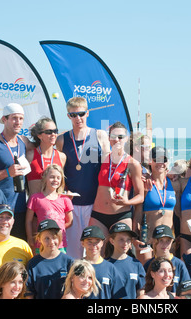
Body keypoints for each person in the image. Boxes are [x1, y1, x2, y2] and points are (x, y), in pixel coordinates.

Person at [56, 97, 110, 259]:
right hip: (71, 204)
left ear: (87, 113)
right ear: (68, 116)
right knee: (73, 254)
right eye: (73, 115)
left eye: (80, 114)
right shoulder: (61, 139)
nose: (77, 118)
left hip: (95, 203)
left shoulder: (100, 135)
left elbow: (110, 167)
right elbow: (57, 171)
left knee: (95, 252)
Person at [0, 103, 34, 240]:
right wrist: (7, 172)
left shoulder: (23, 141)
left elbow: (41, 147)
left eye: (21, 118)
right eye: (14, 118)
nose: (18, 122)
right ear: (4, 120)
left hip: (20, 208)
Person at [89, 122, 144, 244]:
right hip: (98, 215)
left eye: (120, 137)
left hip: (121, 216)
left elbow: (140, 196)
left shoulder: (133, 163)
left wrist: (127, 202)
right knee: (96, 255)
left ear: (126, 139)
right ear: (109, 138)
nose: (116, 140)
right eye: (113, 136)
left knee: (120, 256)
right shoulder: (103, 159)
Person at [133, 146, 176, 262]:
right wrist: (135, 237)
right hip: (148, 239)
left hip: (168, 241)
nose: (160, 163)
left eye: (164, 160)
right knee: (147, 272)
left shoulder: (175, 184)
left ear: (168, 162)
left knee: (167, 274)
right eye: (157, 159)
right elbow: (137, 213)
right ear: (150, 161)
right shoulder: (144, 183)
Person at [26, 164, 73, 254]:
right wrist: (30, 238)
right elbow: (29, 221)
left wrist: (57, 229)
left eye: (58, 178)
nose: (55, 180)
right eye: (52, 177)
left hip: (60, 244)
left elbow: (70, 221)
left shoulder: (65, 199)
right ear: (45, 179)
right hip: (41, 243)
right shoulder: (35, 198)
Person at [25, 219, 74, 299]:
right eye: (47, 238)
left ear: (59, 237)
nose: (51, 242)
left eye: (54, 237)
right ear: (39, 239)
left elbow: (75, 290)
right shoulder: (33, 264)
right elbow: (29, 293)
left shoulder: (69, 262)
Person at [80, 225, 126, 299]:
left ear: (102, 243)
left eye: (97, 241)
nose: (93, 245)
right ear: (82, 243)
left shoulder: (110, 268)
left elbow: (119, 295)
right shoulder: (77, 266)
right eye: (89, 241)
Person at [143, 225, 191, 292]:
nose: (164, 244)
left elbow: (187, 289)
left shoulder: (179, 264)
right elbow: (143, 288)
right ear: (154, 241)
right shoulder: (149, 264)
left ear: (172, 241)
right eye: (161, 240)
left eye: (168, 240)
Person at [26, 116, 66, 195]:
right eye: (49, 132)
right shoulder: (30, 155)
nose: (53, 134)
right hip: (35, 205)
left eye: (55, 131)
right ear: (39, 135)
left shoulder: (62, 157)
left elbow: (61, 185)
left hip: (54, 205)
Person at [105, 223, 146, 299]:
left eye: (128, 240)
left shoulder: (136, 264)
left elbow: (141, 291)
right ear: (112, 241)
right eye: (121, 240)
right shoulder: (104, 264)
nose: (125, 243)